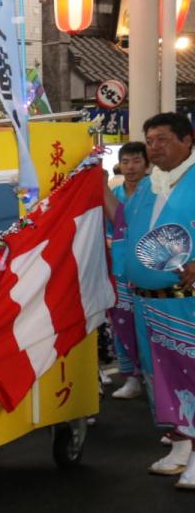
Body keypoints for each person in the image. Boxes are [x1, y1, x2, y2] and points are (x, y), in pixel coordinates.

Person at [111, 112, 195, 488]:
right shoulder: (147, 186)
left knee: (190, 375)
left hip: (186, 300)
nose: (154, 147)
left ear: (187, 140)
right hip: (147, 300)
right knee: (159, 376)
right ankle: (180, 448)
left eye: (162, 139)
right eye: (150, 140)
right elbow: (124, 227)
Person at [108, 143, 148, 400]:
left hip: (148, 270)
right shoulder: (114, 193)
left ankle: (155, 381)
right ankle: (131, 377)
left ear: (147, 164)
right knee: (122, 323)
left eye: (136, 161)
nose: (131, 167)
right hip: (119, 268)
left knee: (149, 327)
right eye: (126, 161)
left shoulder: (154, 192)